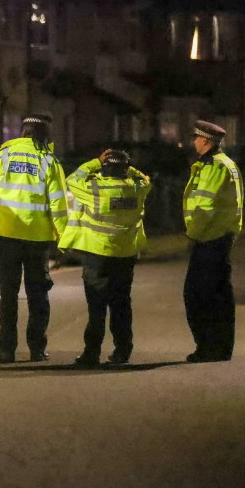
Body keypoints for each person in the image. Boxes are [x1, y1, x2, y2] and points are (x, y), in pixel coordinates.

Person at [0, 114, 68, 363]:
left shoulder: (2, 156)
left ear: (23, 133)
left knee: (8, 296)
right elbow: (59, 205)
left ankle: (6, 350)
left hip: (5, 237)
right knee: (37, 296)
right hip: (37, 240)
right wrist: (64, 240)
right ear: (46, 135)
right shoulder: (49, 161)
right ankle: (37, 349)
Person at [60, 149, 151, 367]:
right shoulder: (137, 189)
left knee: (97, 308)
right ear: (125, 169)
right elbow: (145, 179)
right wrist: (130, 167)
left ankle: (91, 354)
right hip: (125, 254)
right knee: (121, 305)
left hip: (97, 255)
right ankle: (122, 351)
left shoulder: (94, 188)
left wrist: (94, 162)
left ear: (105, 168)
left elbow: (72, 179)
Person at [183, 120, 244, 363]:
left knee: (198, 295)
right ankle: (221, 347)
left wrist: (192, 234)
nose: (194, 142)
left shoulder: (216, 167)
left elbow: (205, 208)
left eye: (196, 138)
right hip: (219, 237)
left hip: (210, 238)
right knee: (219, 295)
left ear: (206, 141)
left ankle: (208, 346)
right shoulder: (222, 164)